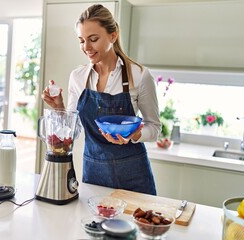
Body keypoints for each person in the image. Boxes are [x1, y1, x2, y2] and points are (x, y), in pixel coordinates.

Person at [41, 4, 161, 195]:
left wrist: (134, 135)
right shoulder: (78, 77)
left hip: (133, 176)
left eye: (93, 39)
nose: (86, 47)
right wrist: (59, 108)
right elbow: (72, 132)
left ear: (113, 36)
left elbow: (154, 128)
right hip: (94, 174)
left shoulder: (139, 75)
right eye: (81, 41)